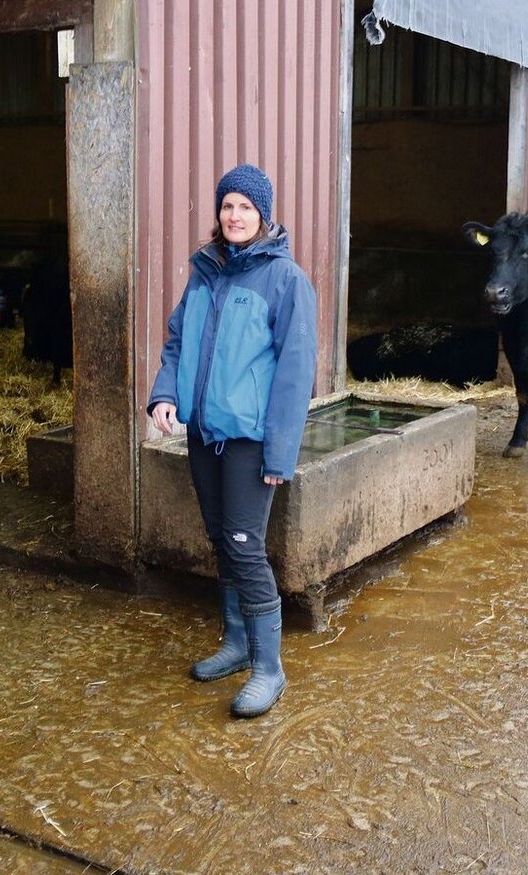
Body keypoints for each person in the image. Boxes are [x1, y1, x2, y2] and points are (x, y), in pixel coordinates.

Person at [146, 163, 318, 719]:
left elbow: (295, 371)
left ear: (263, 215)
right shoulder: (205, 271)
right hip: (205, 433)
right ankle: (238, 642)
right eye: (227, 206)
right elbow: (178, 340)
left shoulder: (285, 280)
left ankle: (270, 667)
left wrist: (279, 453)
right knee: (222, 539)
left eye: (246, 207)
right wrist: (165, 394)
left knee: (245, 546)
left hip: (249, 440)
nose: (235, 216)